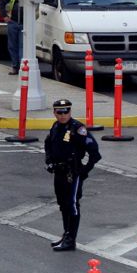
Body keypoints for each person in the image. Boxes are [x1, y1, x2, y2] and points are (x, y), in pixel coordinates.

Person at [43, 99, 102, 251]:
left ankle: (71, 239)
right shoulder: (56, 126)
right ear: (54, 113)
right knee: (63, 204)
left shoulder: (77, 128)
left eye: (66, 111)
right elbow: (48, 143)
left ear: (70, 112)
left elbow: (94, 152)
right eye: (59, 112)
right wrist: (49, 161)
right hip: (59, 171)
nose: (63, 115)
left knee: (72, 204)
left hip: (72, 172)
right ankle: (66, 234)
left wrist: (84, 170)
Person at [0, 0, 22, 75]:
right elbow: (1, 2)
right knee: (12, 46)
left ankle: (22, 67)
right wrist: (4, 16)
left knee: (22, 46)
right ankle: (15, 66)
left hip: (25, 23)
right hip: (13, 22)